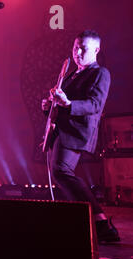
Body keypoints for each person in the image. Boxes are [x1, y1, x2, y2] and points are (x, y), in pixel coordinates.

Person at [41, 30, 120, 243]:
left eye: (83, 48)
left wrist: (67, 103)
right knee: (60, 172)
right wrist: (49, 106)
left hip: (77, 132)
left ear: (96, 50)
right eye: (75, 47)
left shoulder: (100, 73)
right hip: (63, 131)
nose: (77, 52)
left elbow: (95, 104)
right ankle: (94, 222)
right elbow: (60, 108)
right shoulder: (69, 76)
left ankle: (101, 222)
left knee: (61, 171)